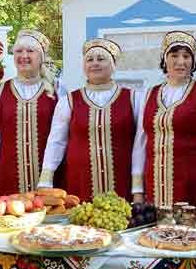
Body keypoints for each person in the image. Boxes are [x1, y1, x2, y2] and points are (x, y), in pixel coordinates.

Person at [133, 31, 196, 213]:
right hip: (155, 188)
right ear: (164, 59)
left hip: (193, 186)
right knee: (157, 239)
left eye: (186, 56)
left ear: (193, 62)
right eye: (174, 55)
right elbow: (140, 143)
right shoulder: (149, 95)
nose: (181, 61)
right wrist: (137, 190)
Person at [38, 38, 138, 201]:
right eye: (89, 60)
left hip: (122, 182)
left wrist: (138, 188)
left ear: (113, 65)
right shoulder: (69, 101)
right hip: (79, 182)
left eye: (101, 59)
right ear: (84, 66)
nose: (95, 64)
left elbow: (141, 143)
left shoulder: (133, 98)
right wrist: (46, 178)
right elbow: (56, 141)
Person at [0, 30, 58, 196]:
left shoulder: (58, 88)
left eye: (30, 51)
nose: (24, 56)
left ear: (41, 57)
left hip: (49, 178)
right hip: (10, 176)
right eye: (19, 51)